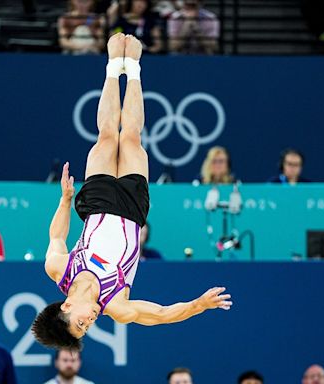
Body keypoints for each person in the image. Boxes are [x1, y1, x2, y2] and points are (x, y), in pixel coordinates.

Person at [31, 33, 232, 350]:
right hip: (131, 210)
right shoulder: (117, 305)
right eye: (88, 329)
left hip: (95, 204)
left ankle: (114, 64)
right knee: (133, 139)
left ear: (66, 307)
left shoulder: (59, 270)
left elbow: (56, 237)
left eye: (81, 323)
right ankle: (134, 66)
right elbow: (162, 314)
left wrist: (66, 200)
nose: (91, 322)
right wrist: (198, 305)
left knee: (107, 136)